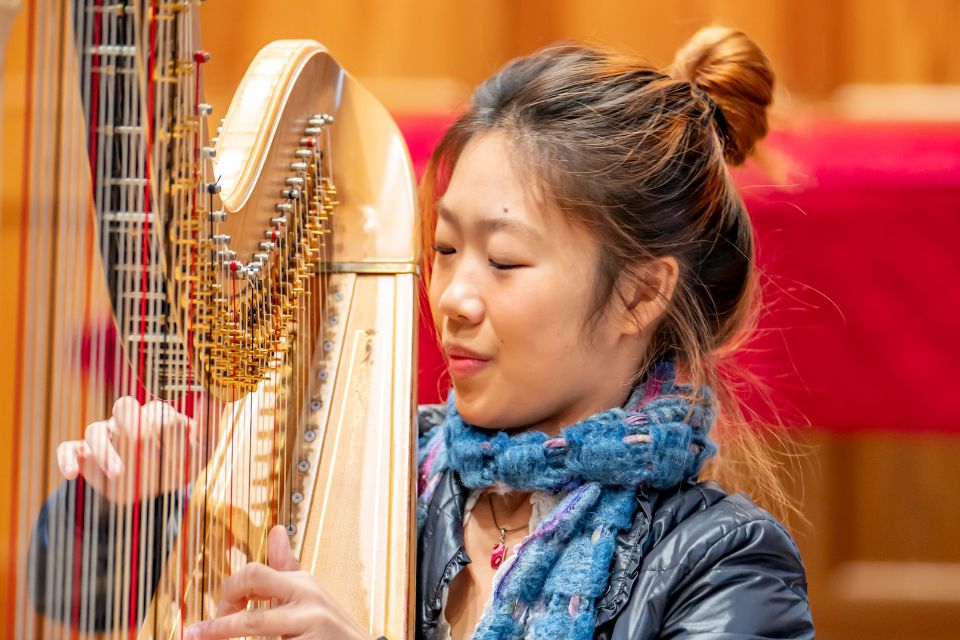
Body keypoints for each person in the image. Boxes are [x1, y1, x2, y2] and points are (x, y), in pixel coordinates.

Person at [34, 25, 815, 640]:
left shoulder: (723, 565)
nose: (452, 296)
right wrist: (129, 502)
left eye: (503, 260)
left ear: (641, 294)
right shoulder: (391, 466)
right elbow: (67, 591)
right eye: (443, 250)